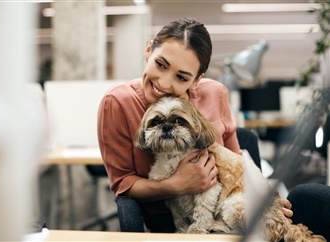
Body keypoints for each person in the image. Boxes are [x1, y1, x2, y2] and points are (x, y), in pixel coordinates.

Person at [97, 17, 293, 232]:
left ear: (197, 79)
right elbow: (122, 183)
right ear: (148, 51)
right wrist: (173, 186)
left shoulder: (216, 93)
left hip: (229, 214)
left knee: (311, 197)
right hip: (169, 223)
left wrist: (263, 198)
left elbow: (235, 161)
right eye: (160, 65)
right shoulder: (117, 103)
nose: (164, 83)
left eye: (181, 78)